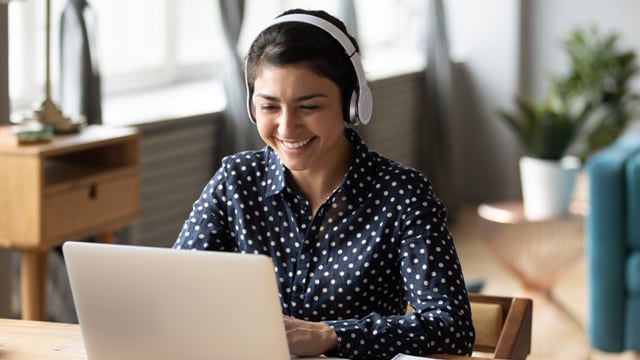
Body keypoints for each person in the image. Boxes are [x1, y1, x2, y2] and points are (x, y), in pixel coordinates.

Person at [173, 8, 475, 359]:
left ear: (351, 104)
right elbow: (179, 290)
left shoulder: (403, 195)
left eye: (309, 106)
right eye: (270, 106)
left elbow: (451, 328)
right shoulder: (235, 181)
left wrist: (329, 335)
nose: (287, 128)